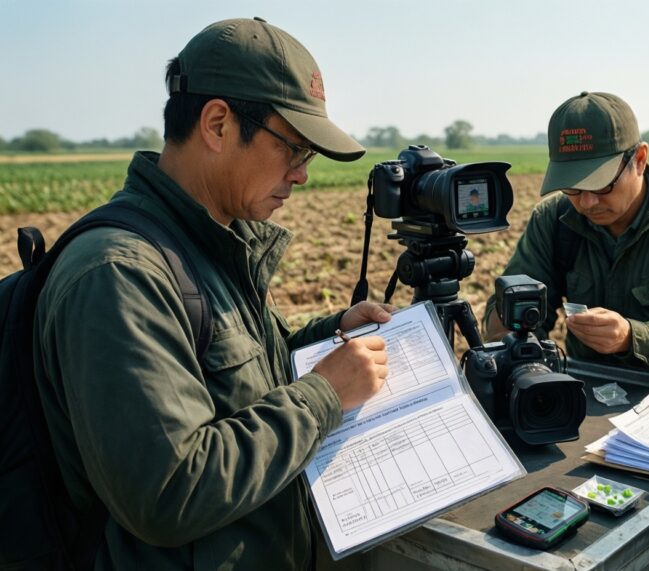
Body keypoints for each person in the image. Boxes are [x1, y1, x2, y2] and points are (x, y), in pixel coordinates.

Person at [32, 18, 393, 569]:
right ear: (219, 124)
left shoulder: (209, 242)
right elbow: (168, 491)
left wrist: (329, 335)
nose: (300, 176)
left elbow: (233, 382)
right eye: (294, 149)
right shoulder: (118, 275)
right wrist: (323, 394)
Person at [484, 91, 649, 379]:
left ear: (639, 159)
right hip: (583, 397)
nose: (587, 203)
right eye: (572, 187)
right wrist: (509, 324)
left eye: (601, 186)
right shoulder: (553, 219)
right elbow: (507, 319)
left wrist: (633, 337)